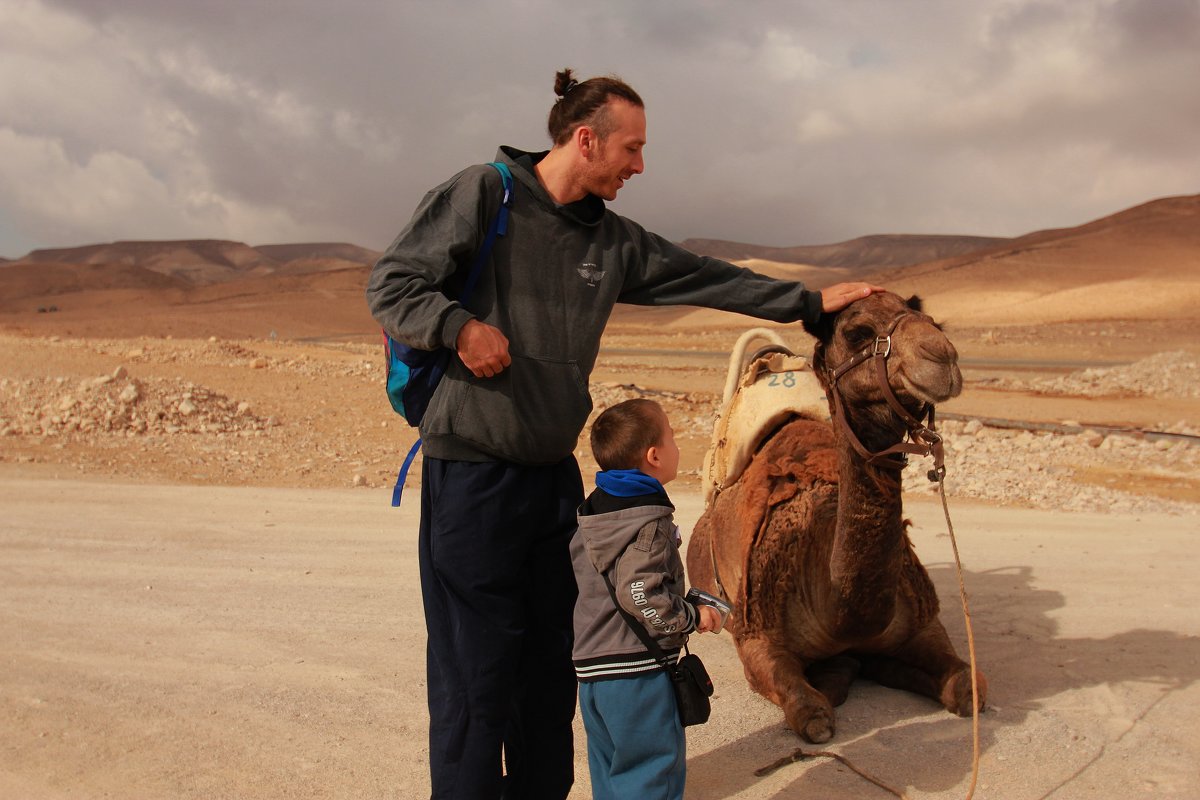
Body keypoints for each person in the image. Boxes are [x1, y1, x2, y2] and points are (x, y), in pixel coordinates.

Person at [366, 67, 882, 800]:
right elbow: (392, 284)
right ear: (586, 139)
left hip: (552, 481)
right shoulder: (487, 194)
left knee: (552, 665)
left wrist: (806, 302)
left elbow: (700, 274)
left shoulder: (609, 242)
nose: (640, 166)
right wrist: (460, 327)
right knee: (476, 670)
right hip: (472, 479)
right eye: (631, 149)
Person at [571, 399, 720, 798]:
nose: (676, 444)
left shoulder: (594, 516)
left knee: (612, 771)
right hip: (635, 672)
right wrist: (691, 617)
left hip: (594, 674)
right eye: (671, 437)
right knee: (653, 772)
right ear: (654, 456)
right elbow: (639, 593)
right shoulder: (647, 523)